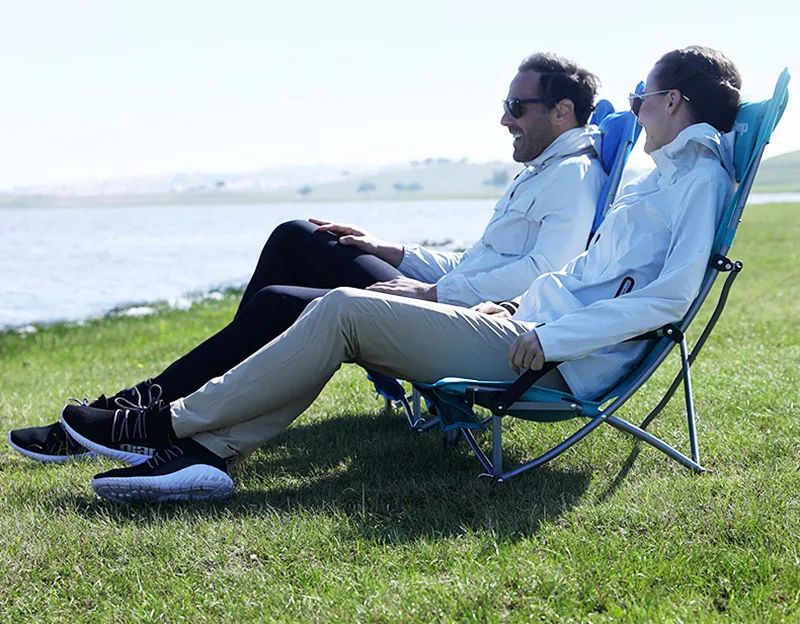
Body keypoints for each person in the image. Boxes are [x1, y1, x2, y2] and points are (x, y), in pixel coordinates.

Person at [59, 45, 742, 504]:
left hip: (549, 355)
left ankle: (165, 424)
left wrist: (554, 336)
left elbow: (670, 298)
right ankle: (201, 454)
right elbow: (580, 274)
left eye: (642, 94)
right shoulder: (666, 177)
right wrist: (514, 305)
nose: (637, 104)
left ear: (674, 101)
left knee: (343, 310)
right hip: (522, 325)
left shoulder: (697, 179)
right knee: (337, 299)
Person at [9, 52, 607, 463]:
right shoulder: (542, 174)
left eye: (517, 106)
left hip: (481, 325)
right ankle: (157, 405)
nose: (504, 117)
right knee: (299, 234)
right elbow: (476, 264)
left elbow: (537, 280)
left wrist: (427, 295)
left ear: (562, 113)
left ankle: (153, 414)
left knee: (276, 305)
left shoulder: (571, 178)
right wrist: (389, 250)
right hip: (459, 301)